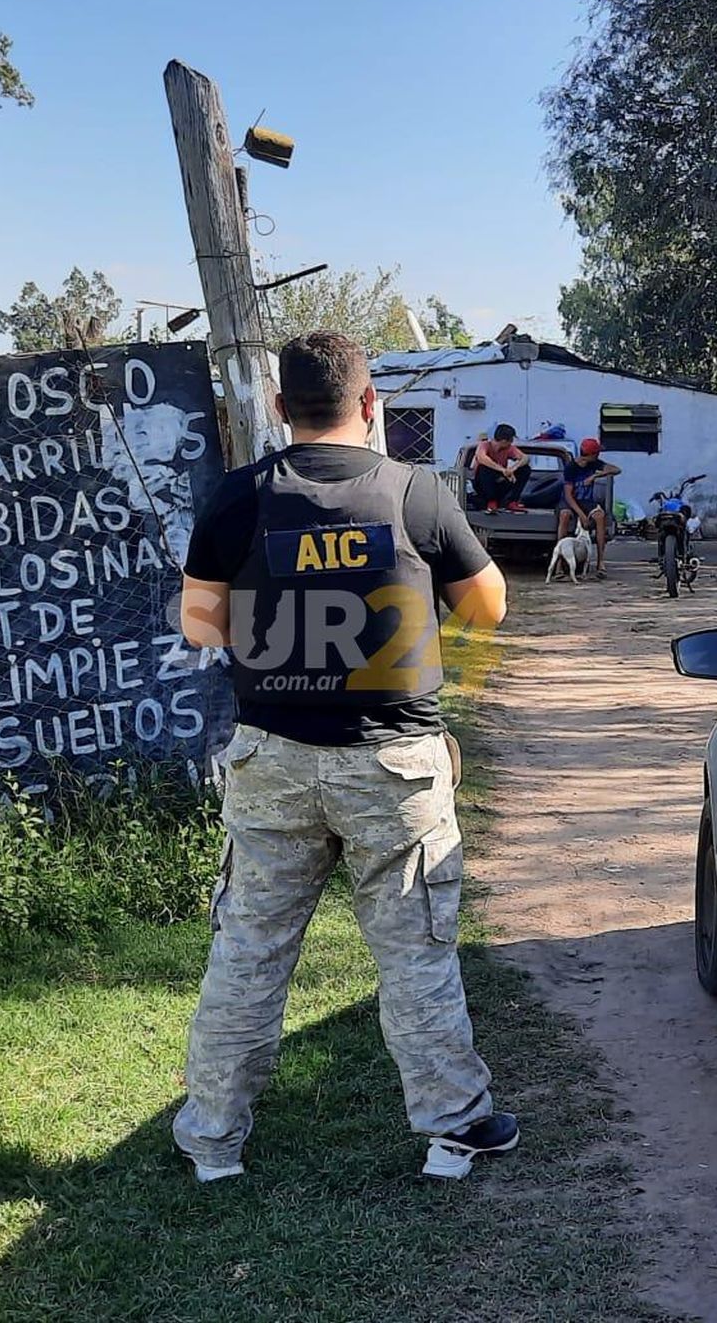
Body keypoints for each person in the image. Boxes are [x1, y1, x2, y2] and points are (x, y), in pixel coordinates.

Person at [175, 331, 518, 1185]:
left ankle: (213, 1142)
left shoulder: (236, 497)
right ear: (372, 406)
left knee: (248, 953)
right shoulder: (417, 491)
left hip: (272, 763)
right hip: (394, 767)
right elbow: (490, 609)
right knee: (417, 955)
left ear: (281, 410)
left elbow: (199, 624)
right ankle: (453, 1131)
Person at [560, 438, 621, 579]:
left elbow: (617, 469)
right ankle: (559, 565)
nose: (598, 455)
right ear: (591, 454)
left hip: (587, 501)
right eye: (596, 453)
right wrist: (581, 515)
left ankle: (600, 562)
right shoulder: (571, 467)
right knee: (564, 516)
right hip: (571, 502)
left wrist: (596, 475)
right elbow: (568, 496)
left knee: (600, 516)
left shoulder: (595, 464)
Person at [472, 424, 531, 514]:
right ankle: (491, 501)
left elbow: (525, 458)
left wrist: (513, 468)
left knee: (525, 469)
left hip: (500, 482)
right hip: (483, 485)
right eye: (511, 440)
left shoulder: (509, 448)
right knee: (483, 467)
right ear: (504, 440)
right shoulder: (485, 445)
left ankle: (512, 501)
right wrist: (502, 470)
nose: (511, 443)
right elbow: (482, 458)